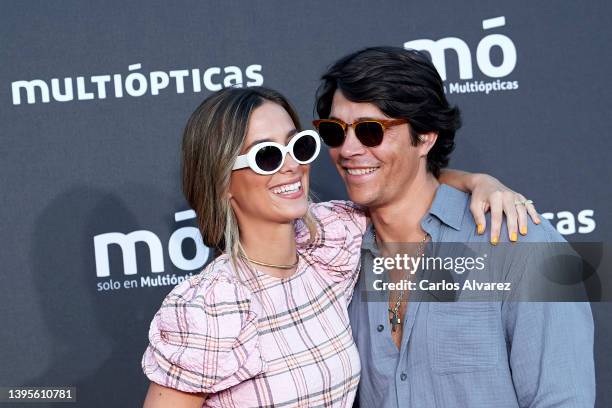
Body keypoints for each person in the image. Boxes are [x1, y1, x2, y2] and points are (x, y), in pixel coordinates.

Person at [141, 86, 538, 407]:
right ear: (223, 180)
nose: (291, 166)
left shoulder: (330, 241)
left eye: (297, 146)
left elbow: (404, 181)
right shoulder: (210, 307)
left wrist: (479, 182)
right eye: (266, 156)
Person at [313, 46, 595, 407]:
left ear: (426, 136)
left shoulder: (519, 242)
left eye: (371, 131)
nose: (348, 149)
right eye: (335, 132)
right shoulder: (334, 253)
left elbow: (563, 399)